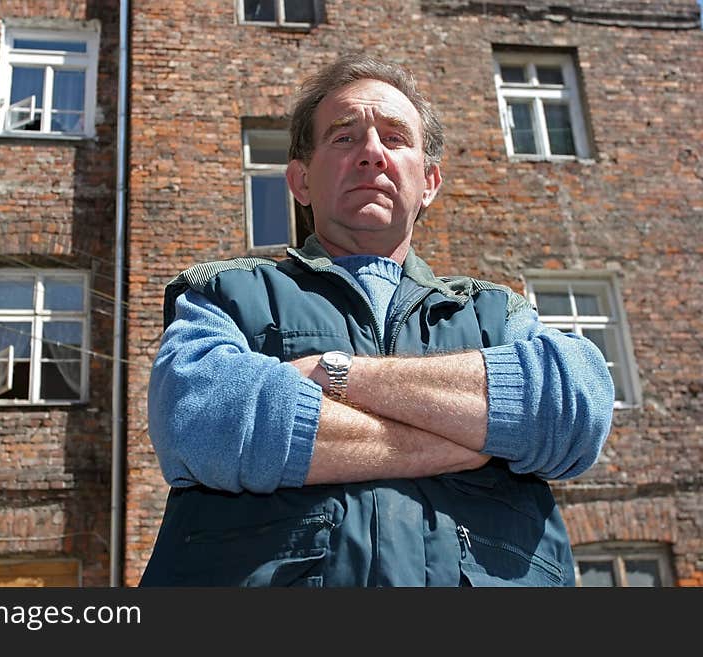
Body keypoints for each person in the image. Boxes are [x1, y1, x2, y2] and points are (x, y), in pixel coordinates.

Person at [140, 54, 615, 587]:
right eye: (344, 139)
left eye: (394, 138)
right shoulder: (228, 293)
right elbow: (204, 419)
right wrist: (474, 438)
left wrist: (334, 374)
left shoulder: (495, 313)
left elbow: (575, 407)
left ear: (429, 181)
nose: (371, 154)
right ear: (300, 181)